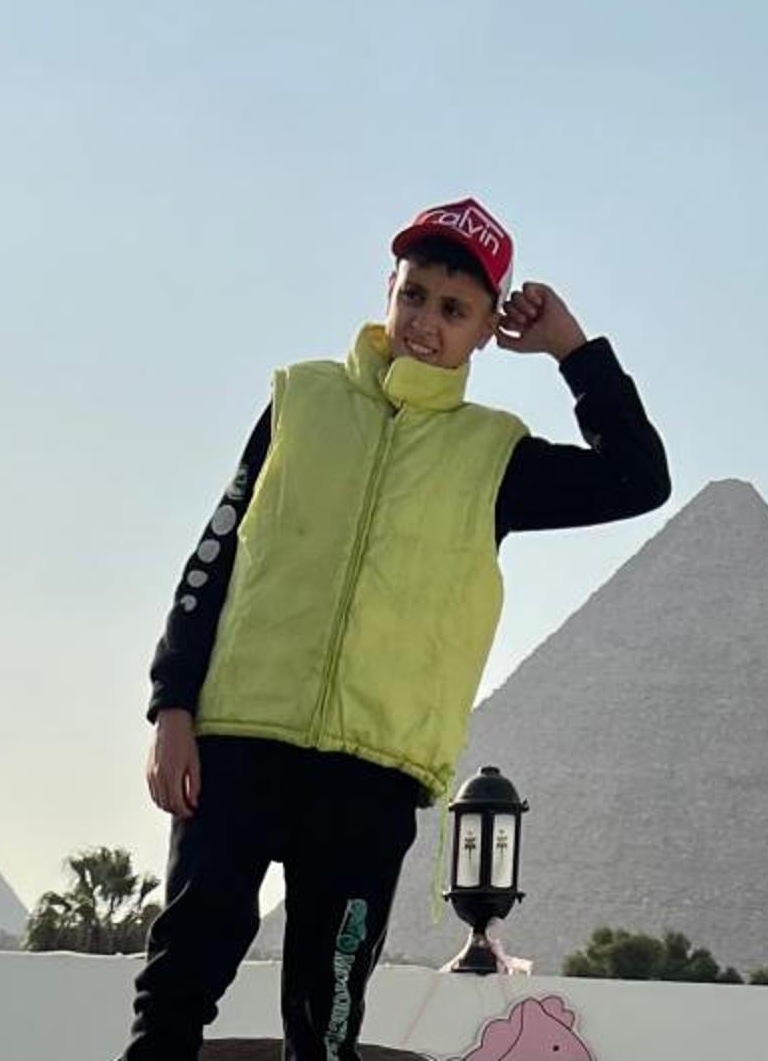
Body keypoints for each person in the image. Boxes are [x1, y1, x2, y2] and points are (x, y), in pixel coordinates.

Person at [124, 198, 672, 1060]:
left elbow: (640, 479)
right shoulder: (300, 402)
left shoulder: (495, 458)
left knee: (327, 1022)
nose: (425, 323)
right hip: (237, 746)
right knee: (173, 994)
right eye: (414, 295)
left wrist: (571, 348)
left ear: (487, 329)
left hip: (369, 777)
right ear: (388, 287)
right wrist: (172, 706)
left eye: (454, 310)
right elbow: (214, 556)